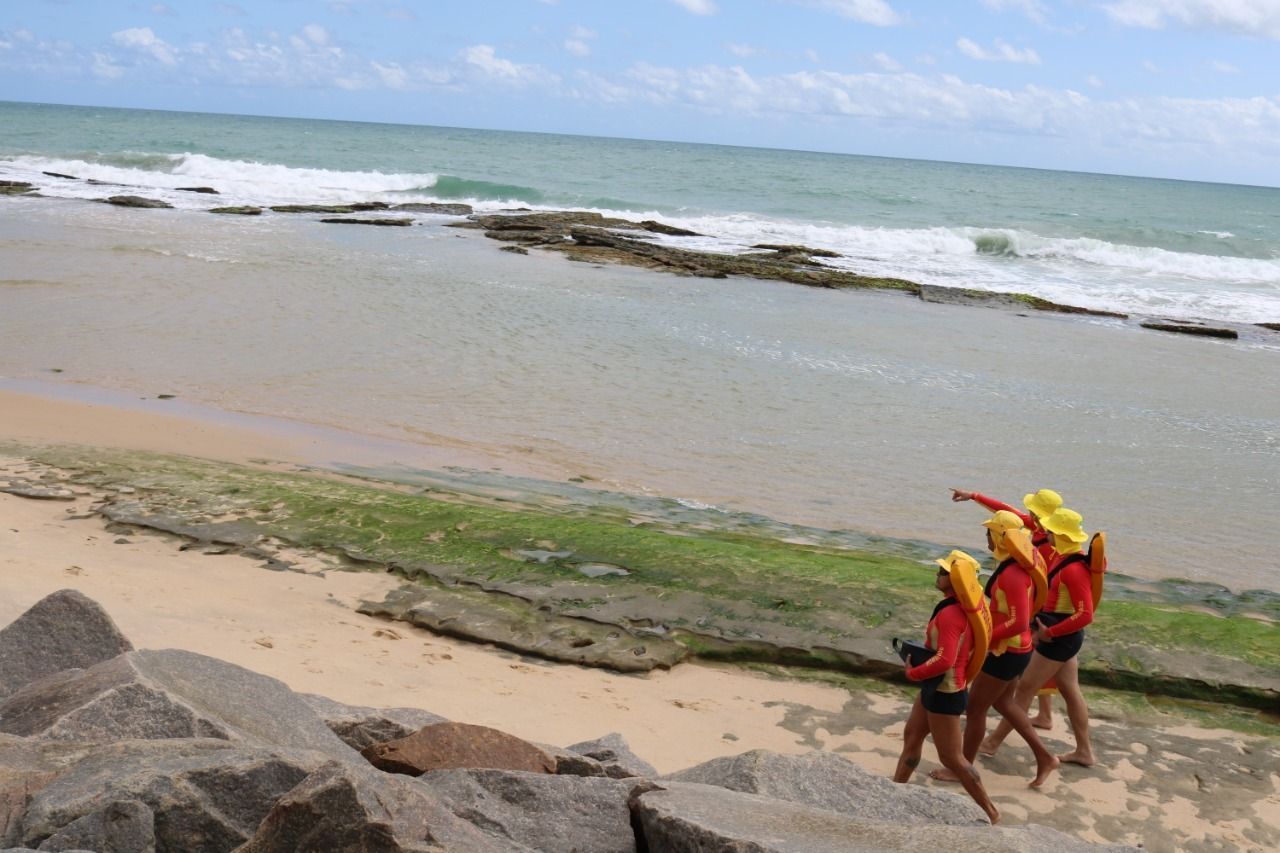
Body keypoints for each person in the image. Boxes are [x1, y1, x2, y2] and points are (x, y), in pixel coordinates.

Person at [929, 511, 1059, 787]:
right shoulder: (1016, 565)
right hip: (1016, 649)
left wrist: (982, 638)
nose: (986, 537)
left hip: (1006, 653)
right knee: (1004, 702)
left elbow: (1019, 621)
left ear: (1000, 537)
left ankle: (962, 767)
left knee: (975, 710)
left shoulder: (1012, 575)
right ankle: (1045, 756)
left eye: (989, 533)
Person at [978, 508, 1096, 767]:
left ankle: (991, 743)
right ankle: (1084, 751)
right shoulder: (1061, 557)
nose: (1045, 532)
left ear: (1059, 534)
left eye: (1050, 530)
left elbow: (1086, 614)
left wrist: (1049, 632)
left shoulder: (1074, 568)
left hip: (1059, 638)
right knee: (1070, 689)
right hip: (1064, 635)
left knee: (1023, 690)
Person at [893, 550, 1000, 824]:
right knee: (912, 736)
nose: (937, 575)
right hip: (937, 687)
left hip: (945, 691)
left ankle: (990, 811)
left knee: (953, 759)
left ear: (954, 580)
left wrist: (914, 673)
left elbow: (945, 659)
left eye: (943, 572)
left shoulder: (952, 614)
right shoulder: (959, 606)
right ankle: (894, 790)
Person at [951, 486, 1060, 727]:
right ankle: (1045, 717)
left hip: (1039, 609)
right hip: (1033, 602)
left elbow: (1055, 583)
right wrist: (975, 496)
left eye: (1032, 511)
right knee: (1011, 696)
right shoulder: (1036, 530)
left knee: (1036, 677)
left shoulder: (1051, 540)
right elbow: (1007, 514)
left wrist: (985, 636)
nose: (1028, 515)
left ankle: (1042, 723)